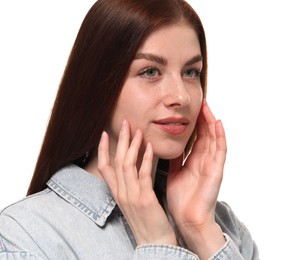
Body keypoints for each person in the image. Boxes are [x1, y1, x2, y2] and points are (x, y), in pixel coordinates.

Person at [0, 0, 259, 259]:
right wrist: (157, 244)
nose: (181, 96)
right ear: (97, 86)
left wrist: (199, 230)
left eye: (191, 72)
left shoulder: (222, 226)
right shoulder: (24, 236)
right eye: (150, 71)